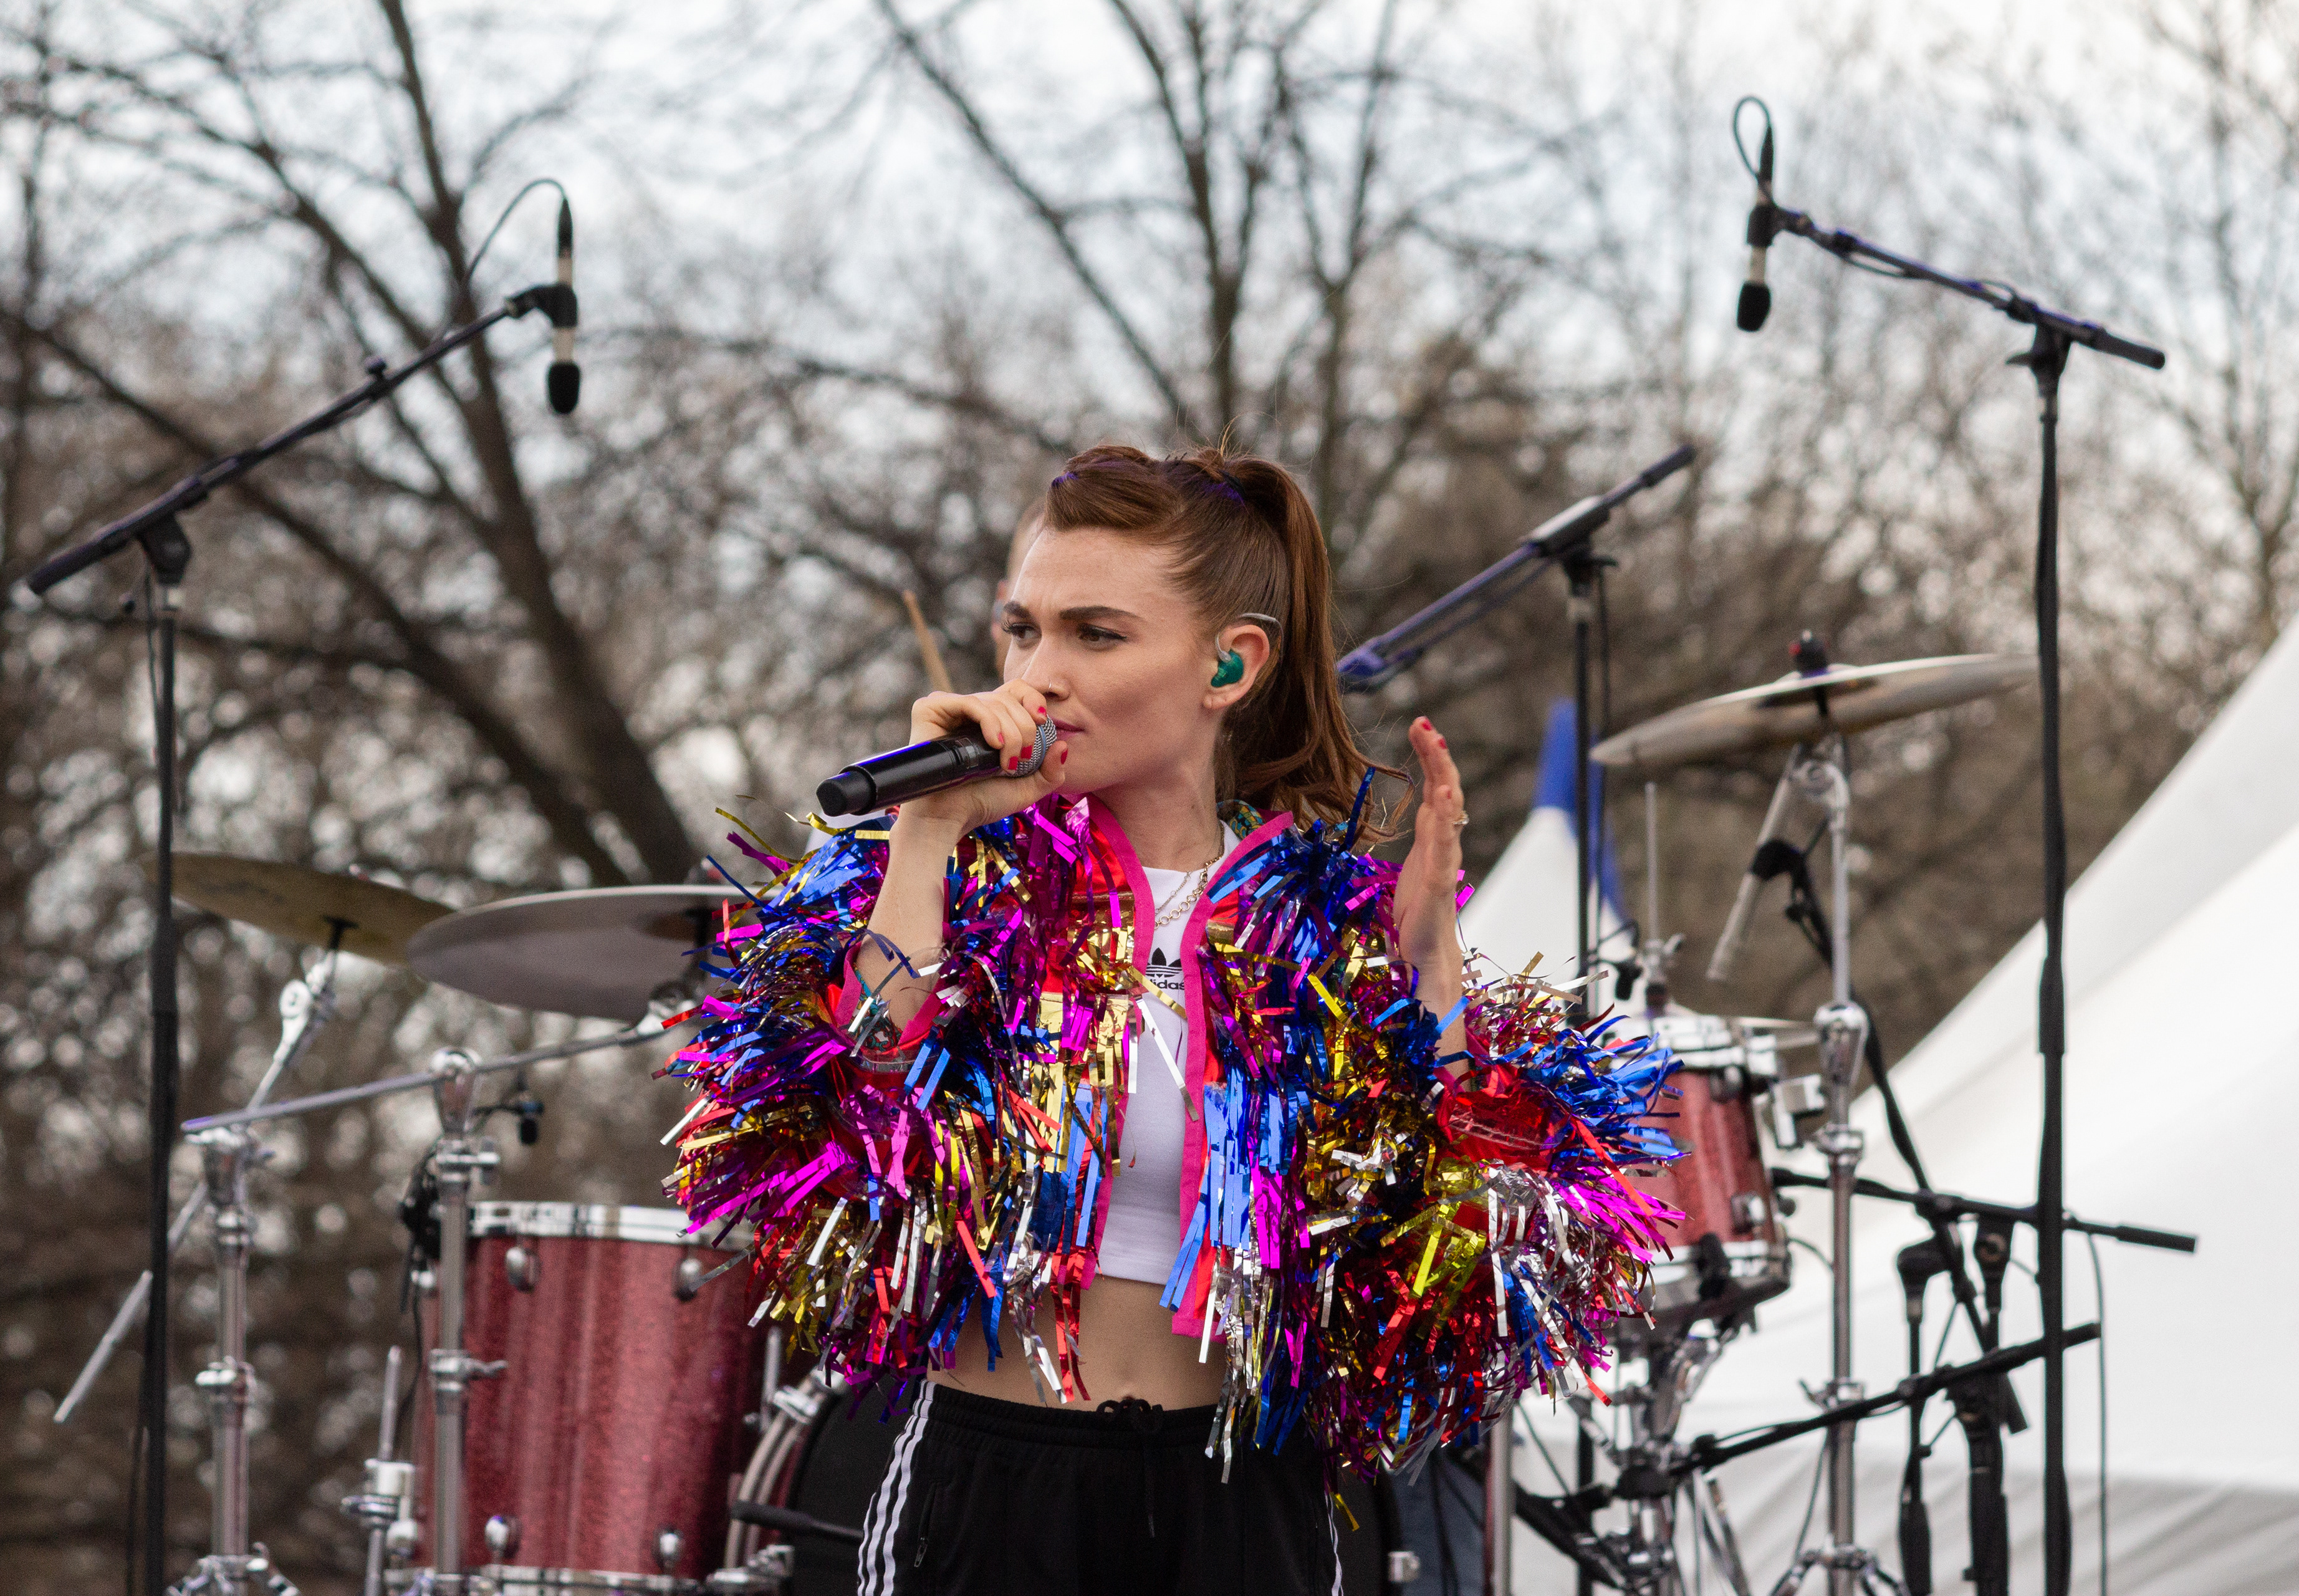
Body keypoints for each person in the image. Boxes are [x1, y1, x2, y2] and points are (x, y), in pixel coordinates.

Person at [670, 445, 1676, 1595]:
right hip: (993, 1486)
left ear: (1230, 665)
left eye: (1095, 635)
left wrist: (1433, 972)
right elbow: (838, 1128)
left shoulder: (1320, 915)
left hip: (1244, 1496)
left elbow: (1479, 1261)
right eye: (1022, 631)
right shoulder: (949, 873)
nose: (1040, 675)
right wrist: (927, 839)